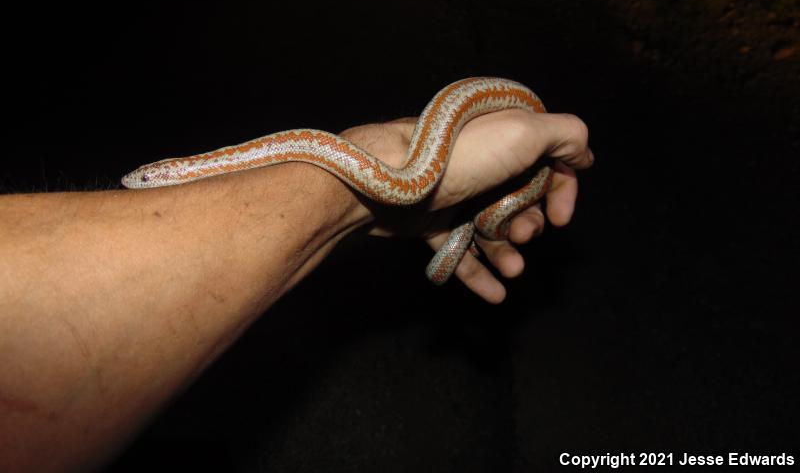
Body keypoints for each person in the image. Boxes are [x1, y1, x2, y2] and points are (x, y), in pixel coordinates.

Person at [0, 108, 593, 472]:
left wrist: (409, 175)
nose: (141, 184)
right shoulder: (219, 165)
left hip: (419, 154)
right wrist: (383, 176)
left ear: (175, 168)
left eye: (151, 178)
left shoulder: (202, 166)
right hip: (375, 167)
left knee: (464, 215)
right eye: (149, 180)